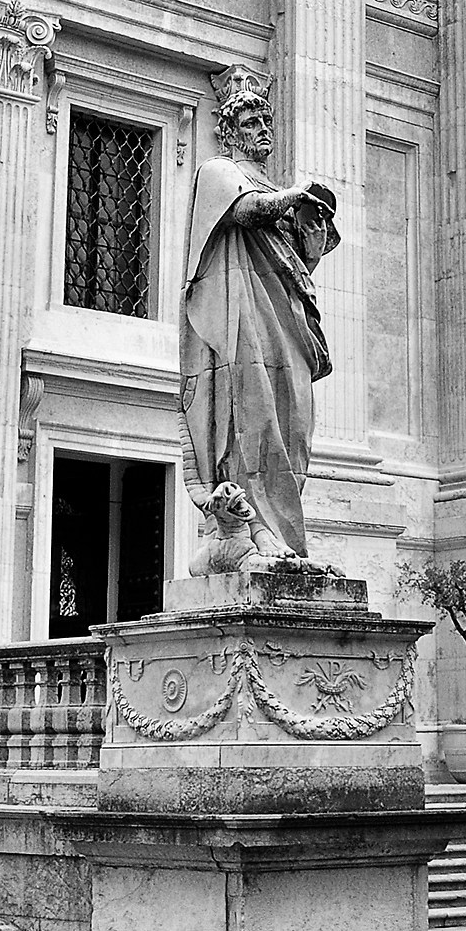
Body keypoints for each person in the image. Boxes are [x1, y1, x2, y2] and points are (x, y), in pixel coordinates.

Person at [180, 66, 339, 561]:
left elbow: (294, 261)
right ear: (229, 132)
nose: (263, 129)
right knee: (254, 413)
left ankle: (288, 536)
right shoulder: (219, 171)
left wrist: (312, 240)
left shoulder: (269, 190)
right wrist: (292, 197)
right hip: (240, 311)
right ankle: (255, 532)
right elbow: (246, 212)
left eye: (266, 120)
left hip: (285, 314)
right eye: (251, 122)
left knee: (294, 418)